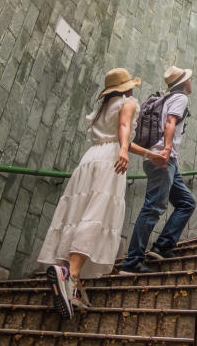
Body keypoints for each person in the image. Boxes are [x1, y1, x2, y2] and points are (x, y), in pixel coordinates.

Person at [37, 68, 165, 319]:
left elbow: (119, 136)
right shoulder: (129, 102)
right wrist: (124, 153)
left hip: (90, 160)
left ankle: (72, 285)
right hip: (109, 162)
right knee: (97, 217)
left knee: (79, 213)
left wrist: (147, 154)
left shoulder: (103, 109)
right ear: (126, 88)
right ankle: (70, 274)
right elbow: (125, 129)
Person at [121, 65, 197, 274]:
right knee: (153, 207)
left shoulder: (165, 98)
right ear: (183, 83)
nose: (192, 82)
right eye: (189, 79)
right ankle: (133, 261)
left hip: (164, 162)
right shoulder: (180, 98)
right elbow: (171, 122)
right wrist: (166, 149)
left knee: (186, 202)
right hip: (163, 160)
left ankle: (162, 246)